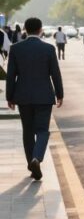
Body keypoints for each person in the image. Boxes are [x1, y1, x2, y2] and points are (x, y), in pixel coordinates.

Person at [6, 17, 63, 181]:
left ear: (25, 29)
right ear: (40, 30)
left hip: (23, 97)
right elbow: (55, 74)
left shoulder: (16, 49)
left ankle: (32, 166)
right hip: (44, 97)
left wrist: (9, 96)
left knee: (28, 132)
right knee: (43, 131)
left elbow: (11, 76)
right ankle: (36, 159)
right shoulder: (48, 49)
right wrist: (59, 94)